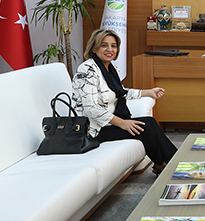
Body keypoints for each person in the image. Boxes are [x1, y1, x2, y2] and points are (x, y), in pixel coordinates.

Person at [72, 29, 178, 175]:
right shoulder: (87, 69)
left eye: (113, 46)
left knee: (150, 122)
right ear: (94, 48)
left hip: (108, 124)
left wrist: (148, 92)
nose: (110, 49)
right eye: (104, 45)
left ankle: (173, 163)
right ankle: (165, 165)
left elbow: (120, 92)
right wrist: (122, 123)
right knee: (144, 129)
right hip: (92, 130)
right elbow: (91, 108)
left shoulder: (111, 68)